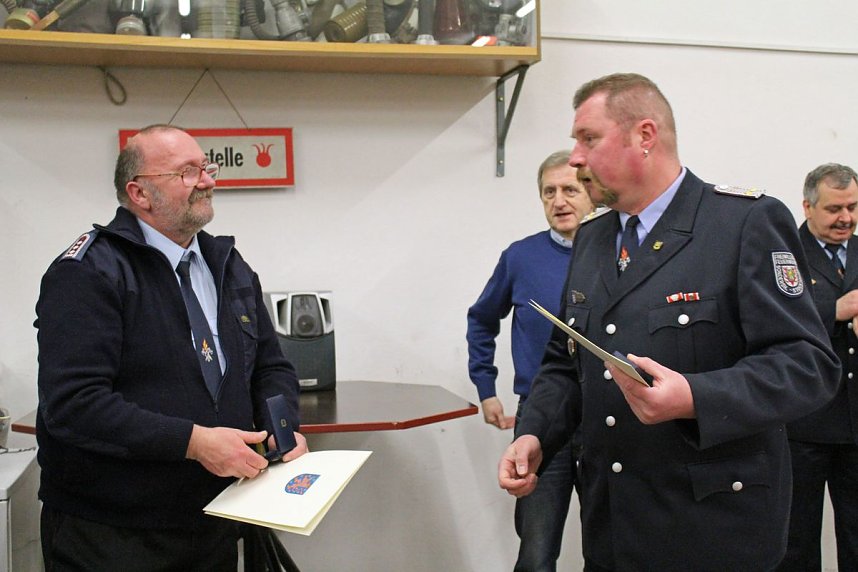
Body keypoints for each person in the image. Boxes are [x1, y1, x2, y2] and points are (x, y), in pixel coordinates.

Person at [497, 73, 840, 572]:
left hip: (713, 532)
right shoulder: (594, 238)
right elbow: (564, 364)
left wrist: (695, 397)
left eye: (588, 138)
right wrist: (535, 434)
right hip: (614, 528)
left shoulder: (742, 223)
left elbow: (807, 366)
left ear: (645, 136)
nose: (575, 157)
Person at [35, 124, 308, 571]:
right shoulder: (88, 272)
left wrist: (282, 428)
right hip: (115, 533)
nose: (207, 181)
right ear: (139, 193)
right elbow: (74, 404)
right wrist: (195, 443)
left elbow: (269, 367)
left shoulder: (227, 264)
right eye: (187, 172)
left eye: (207, 167)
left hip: (215, 519)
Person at [467, 150, 595, 571]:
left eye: (570, 190)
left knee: (612, 549)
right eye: (548, 192)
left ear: (592, 192)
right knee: (536, 553)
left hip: (606, 420)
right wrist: (486, 388)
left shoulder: (619, 255)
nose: (559, 201)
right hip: (540, 420)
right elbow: (482, 319)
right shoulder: (520, 257)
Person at [778, 163, 858, 571]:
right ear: (807, 207)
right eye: (834, 209)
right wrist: (834, 310)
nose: (845, 218)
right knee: (797, 540)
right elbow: (776, 319)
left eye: (852, 207)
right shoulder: (783, 254)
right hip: (804, 423)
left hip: (855, 424)